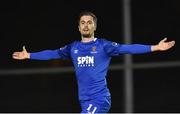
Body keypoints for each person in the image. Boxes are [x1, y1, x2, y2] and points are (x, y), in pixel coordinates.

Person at [12, 11, 175, 113]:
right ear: (78, 27)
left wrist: (155, 47)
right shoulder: (73, 47)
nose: (86, 25)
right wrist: (29, 55)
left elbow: (128, 48)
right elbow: (53, 53)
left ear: (94, 26)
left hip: (100, 99)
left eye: (89, 22)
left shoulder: (103, 45)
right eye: (82, 22)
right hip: (84, 100)